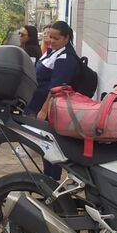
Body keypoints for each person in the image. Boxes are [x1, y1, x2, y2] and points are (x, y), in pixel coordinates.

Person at [26, 20, 81, 181]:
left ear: (66, 38)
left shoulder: (66, 59)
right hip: (40, 105)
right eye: (50, 37)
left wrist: (44, 110)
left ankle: (52, 180)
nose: (51, 41)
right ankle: (47, 178)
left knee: (52, 147)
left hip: (52, 110)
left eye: (56, 38)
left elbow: (56, 89)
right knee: (45, 146)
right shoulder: (52, 51)